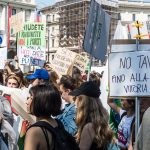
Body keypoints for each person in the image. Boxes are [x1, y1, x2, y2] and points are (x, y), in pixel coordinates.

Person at [69, 81, 115, 150]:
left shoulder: (89, 127)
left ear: (83, 102)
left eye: (77, 98)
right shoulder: (98, 122)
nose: (75, 102)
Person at [24, 83, 62, 150]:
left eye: (31, 98)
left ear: (41, 102)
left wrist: (31, 131)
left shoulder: (34, 132)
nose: (27, 102)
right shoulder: (57, 123)